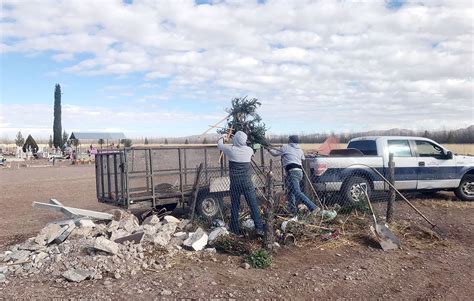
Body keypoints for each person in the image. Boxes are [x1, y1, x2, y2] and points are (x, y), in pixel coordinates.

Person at [218, 131, 264, 236]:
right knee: (253, 205)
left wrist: (223, 137)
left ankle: (234, 229)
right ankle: (259, 228)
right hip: (247, 182)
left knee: (235, 205)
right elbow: (253, 149)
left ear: (235, 140)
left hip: (235, 183)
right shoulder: (249, 150)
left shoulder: (231, 149)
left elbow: (220, 145)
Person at [268, 135, 319, 215]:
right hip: (299, 172)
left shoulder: (286, 147)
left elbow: (274, 153)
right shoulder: (300, 150)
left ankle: (313, 207)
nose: (288, 141)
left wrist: (268, 148)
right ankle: (292, 211)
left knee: (296, 191)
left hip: (292, 172)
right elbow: (303, 159)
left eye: (289, 139)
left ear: (290, 140)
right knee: (291, 192)